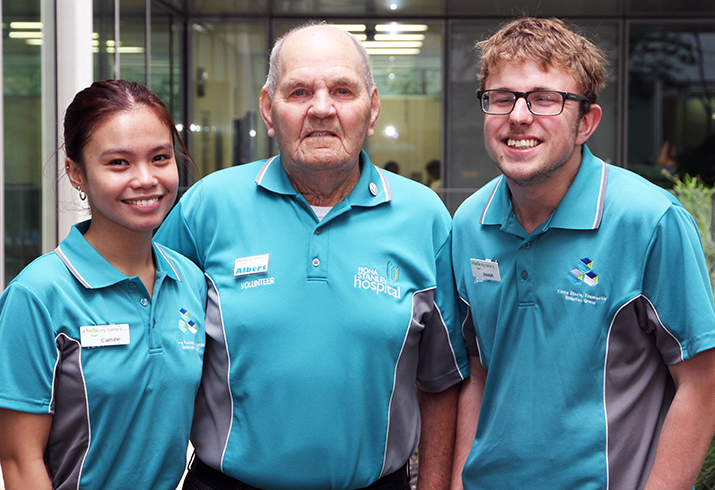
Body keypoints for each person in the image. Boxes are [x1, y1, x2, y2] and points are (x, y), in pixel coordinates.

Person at [155, 22, 468, 490]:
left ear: (373, 106)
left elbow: (441, 380)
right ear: (268, 107)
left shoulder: (425, 219)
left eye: (342, 90)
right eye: (299, 91)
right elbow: (154, 351)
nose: (321, 108)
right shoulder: (207, 208)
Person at [451, 17, 715, 490]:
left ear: (586, 122)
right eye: (503, 97)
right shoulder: (469, 222)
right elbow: (477, 371)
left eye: (545, 98)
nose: (518, 115)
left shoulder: (649, 221)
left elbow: (703, 385)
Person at [0, 80, 207, 490]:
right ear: (76, 172)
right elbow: (19, 459)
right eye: (118, 163)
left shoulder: (191, 281)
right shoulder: (38, 295)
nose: (146, 179)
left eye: (160, 157)